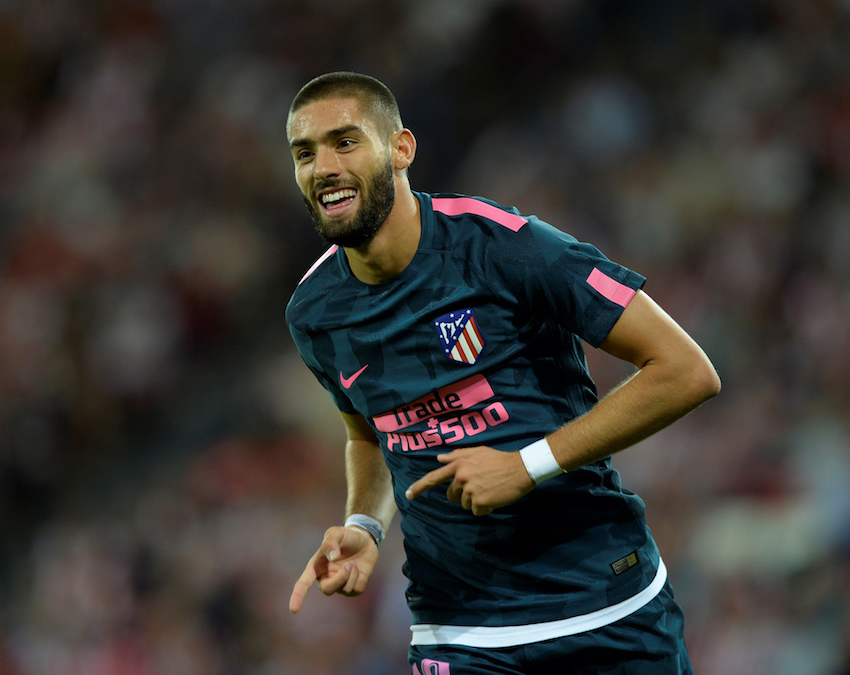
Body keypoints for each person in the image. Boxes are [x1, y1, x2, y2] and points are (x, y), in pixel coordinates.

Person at [284, 71, 720, 674]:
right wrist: (364, 523)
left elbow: (686, 371)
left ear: (401, 148)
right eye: (305, 153)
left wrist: (526, 465)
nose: (323, 166)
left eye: (345, 141)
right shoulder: (314, 312)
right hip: (458, 627)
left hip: (604, 605)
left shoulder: (504, 247)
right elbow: (369, 431)